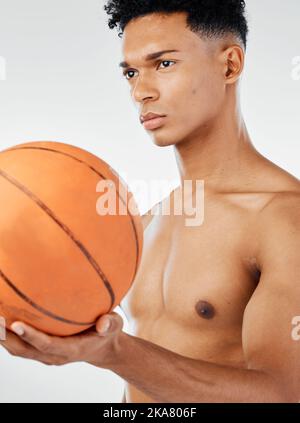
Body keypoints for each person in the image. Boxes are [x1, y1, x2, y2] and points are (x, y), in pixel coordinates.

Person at [1, 0, 300, 403]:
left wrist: (111, 350)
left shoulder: (284, 218)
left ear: (229, 65)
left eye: (164, 64)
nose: (141, 92)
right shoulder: (142, 224)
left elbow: (283, 393)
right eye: (130, 72)